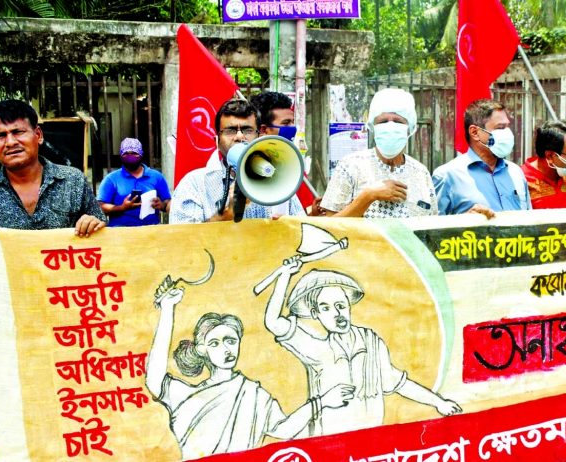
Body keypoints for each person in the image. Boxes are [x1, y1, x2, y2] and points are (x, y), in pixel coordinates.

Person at [147, 284, 354, 459]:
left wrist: (322, 401)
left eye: (231, 341)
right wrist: (167, 309)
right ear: (202, 350)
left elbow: (283, 429)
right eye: (215, 343)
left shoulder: (253, 393)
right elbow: (154, 378)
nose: (226, 349)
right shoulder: (186, 395)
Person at [262, 262, 462, 437]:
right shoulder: (317, 348)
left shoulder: (371, 341)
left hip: (371, 442)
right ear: (316, 314)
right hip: (329, 446)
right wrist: (285, 276)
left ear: (349, 305)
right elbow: (273, 322)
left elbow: (397, 382)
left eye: (340, 305)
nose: (337, 314)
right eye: (326, 308)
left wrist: (438, 402)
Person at [0, 100, 106, 289]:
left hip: (70, 304)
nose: (10, 142)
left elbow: (101, 248)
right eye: (0, 136)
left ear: (38, 135)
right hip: (10, 311)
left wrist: (94, 225)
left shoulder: (73, 181)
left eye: (18, 132)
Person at [169, 99, 305, 223]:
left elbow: (302, 232)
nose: (240, 137)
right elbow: (185, 242)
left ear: (259, 135)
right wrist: (227, 213)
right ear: (216, 140)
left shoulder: (280, 180)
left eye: (247, 130)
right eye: (230, 130)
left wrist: (287, 226)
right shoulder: (194, 185)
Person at [320, 88, 437, 217]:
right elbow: (329, 226)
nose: (390, 126)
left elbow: (432, 226)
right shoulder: (351, 166)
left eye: (398, 121)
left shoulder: (421, 173)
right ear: (373, 127)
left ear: (409, 129)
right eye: (383, 121)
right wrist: (368, 196)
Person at [433, 98, 530, 217]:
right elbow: (433, 229)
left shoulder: (516, 172)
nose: (507, 133)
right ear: (474, 132)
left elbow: (528, 221)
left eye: (507, 127)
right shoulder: (447, 176)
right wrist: (464, 221)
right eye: (500, 127)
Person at [96, 138, 171, 227]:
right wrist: (122, 208)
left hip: (151, 232)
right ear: (120, 155)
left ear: (141, 154)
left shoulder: (156, 177)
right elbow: (99, 206)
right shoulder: (111, 179)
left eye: (134, 153)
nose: (130, 156)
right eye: (126, 153)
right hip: (120, 234)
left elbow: (168, 203)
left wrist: (161, 205)